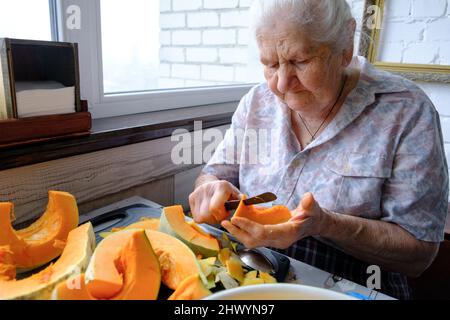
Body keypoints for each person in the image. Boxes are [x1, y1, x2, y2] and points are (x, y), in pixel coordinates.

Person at [188, 0, 449, 300]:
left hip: (359, 286)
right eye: (270, 64)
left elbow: (418, 254)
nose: (282, 83)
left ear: (345, 48)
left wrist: (326, 225)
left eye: (300, 61)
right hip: (255, 273)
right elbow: (212, 175)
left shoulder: (406, 111)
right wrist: (209, 190)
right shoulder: (256, 103)